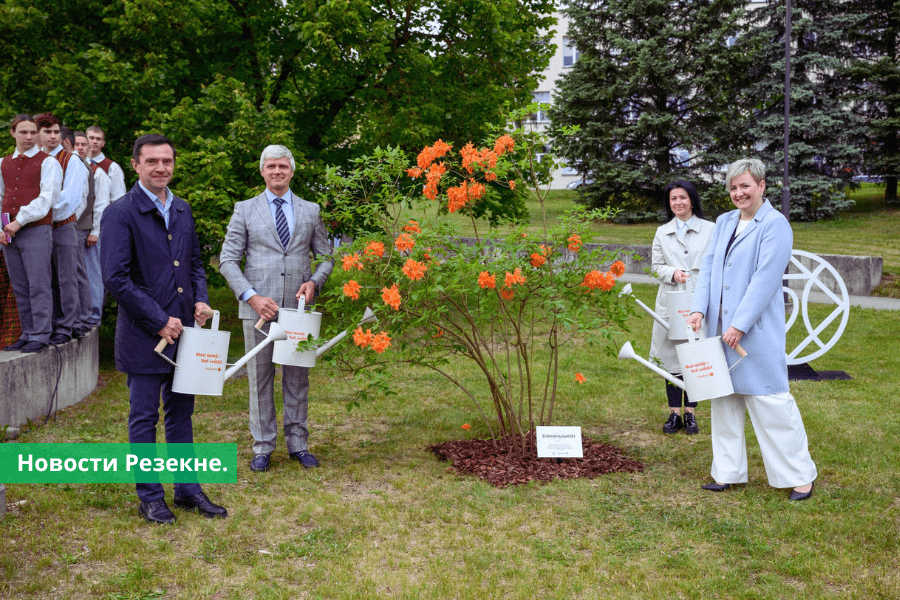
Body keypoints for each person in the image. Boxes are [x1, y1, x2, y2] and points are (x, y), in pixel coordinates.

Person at [101, 133, 227, 523]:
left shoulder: (183, 209)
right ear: (136, 165)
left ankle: (187, 491)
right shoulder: (120, 212)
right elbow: (115, 278)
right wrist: (159, 320)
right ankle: (150, 496)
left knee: (181, 414)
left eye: (167, 162)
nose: (160, 168)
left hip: (185, 333)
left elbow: (193, 266)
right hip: (145, 334)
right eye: (152, 162)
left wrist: (199, 301)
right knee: (143, 417)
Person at [686, 158, 817, 501]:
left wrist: (739, 326)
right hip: (718, 328)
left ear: (761, 186)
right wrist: (699, 308)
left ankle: (800, 475)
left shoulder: (775, 225)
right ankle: (727, 472)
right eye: (733, 187)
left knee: (771, 400)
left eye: (745, 186)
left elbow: (765, 280)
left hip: (753, 332)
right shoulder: (725, 221)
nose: (738, 193)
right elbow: (709, 268)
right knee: (724, 402)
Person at [219, 145, 334, 472]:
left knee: (298, 378)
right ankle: (263, 447)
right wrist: (251, 296)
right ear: (262, 171)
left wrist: (315, 281)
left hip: (298, 310)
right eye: (271, 166)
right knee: (259, 378)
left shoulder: (311, 210)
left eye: (282, 166)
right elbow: (228, 260)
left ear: (292, 170)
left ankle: (298, 443)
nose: (277, 171)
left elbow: (326, 256)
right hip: (259, 310)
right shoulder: (244, 209)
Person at [650, 180, 714, 434]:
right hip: (671, 299)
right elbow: (655, 266)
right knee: (672, 358)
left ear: (692, 200)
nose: (678, 203)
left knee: (695, 356)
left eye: (682, 197)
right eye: (673, 199)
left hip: (698, 298)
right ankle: (674, 413)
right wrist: (673, 273)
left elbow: (715, 263)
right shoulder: (661, 232)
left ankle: (691, 414)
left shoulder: (710, 229)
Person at [0, 114, 62, 353]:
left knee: (39, 284)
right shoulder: (3, 163)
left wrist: (19, 221)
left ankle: (41, 333)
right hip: (8, 233)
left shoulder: (48, 162)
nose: (28, 137)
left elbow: (48, 198)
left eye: (33, 132)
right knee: (19, 285)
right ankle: (26, 332)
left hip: (35, 229)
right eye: (23, 132)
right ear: (13, 133)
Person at [36, 113, 90, 344]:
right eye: (47, 132)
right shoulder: (36, 160)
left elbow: (69, 200)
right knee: (44, 279)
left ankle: (68, 325)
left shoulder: (71, 160)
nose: (52, 136)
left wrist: (39, 215)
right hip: (37, 228)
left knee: (67, 278)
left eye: (56, 132)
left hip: (62, 226)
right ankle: (53, 324)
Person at [74, 130, 111, 332]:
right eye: (76, 144)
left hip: (92, 232)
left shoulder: (99, 172)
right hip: (78, 231)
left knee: (93, 274)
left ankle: (94, 316)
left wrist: (95, 231)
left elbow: (103, 205)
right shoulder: (72, 168)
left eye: (83, 144)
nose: (80, 147)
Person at [86, 125, 127, 202]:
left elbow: (118, 199)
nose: (95, 141)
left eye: (98, 139)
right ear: (85, 140)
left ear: (103, 143)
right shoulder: (79, 163)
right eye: (91, 138)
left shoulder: (113, 167)